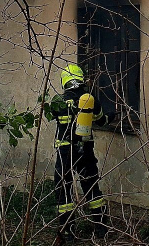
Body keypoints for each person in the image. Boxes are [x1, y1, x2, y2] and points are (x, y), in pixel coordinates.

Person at [44, 64, 107, 240]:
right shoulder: (90, 99)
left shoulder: (57, 101)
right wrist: (113, 115)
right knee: (91, 186)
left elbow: (50, 116)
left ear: (64, 81)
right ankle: (101, 229)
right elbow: (101, 121)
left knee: (64, 188)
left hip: (65, 152)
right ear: (81, 79)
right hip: (85, 150)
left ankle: (68, 231)